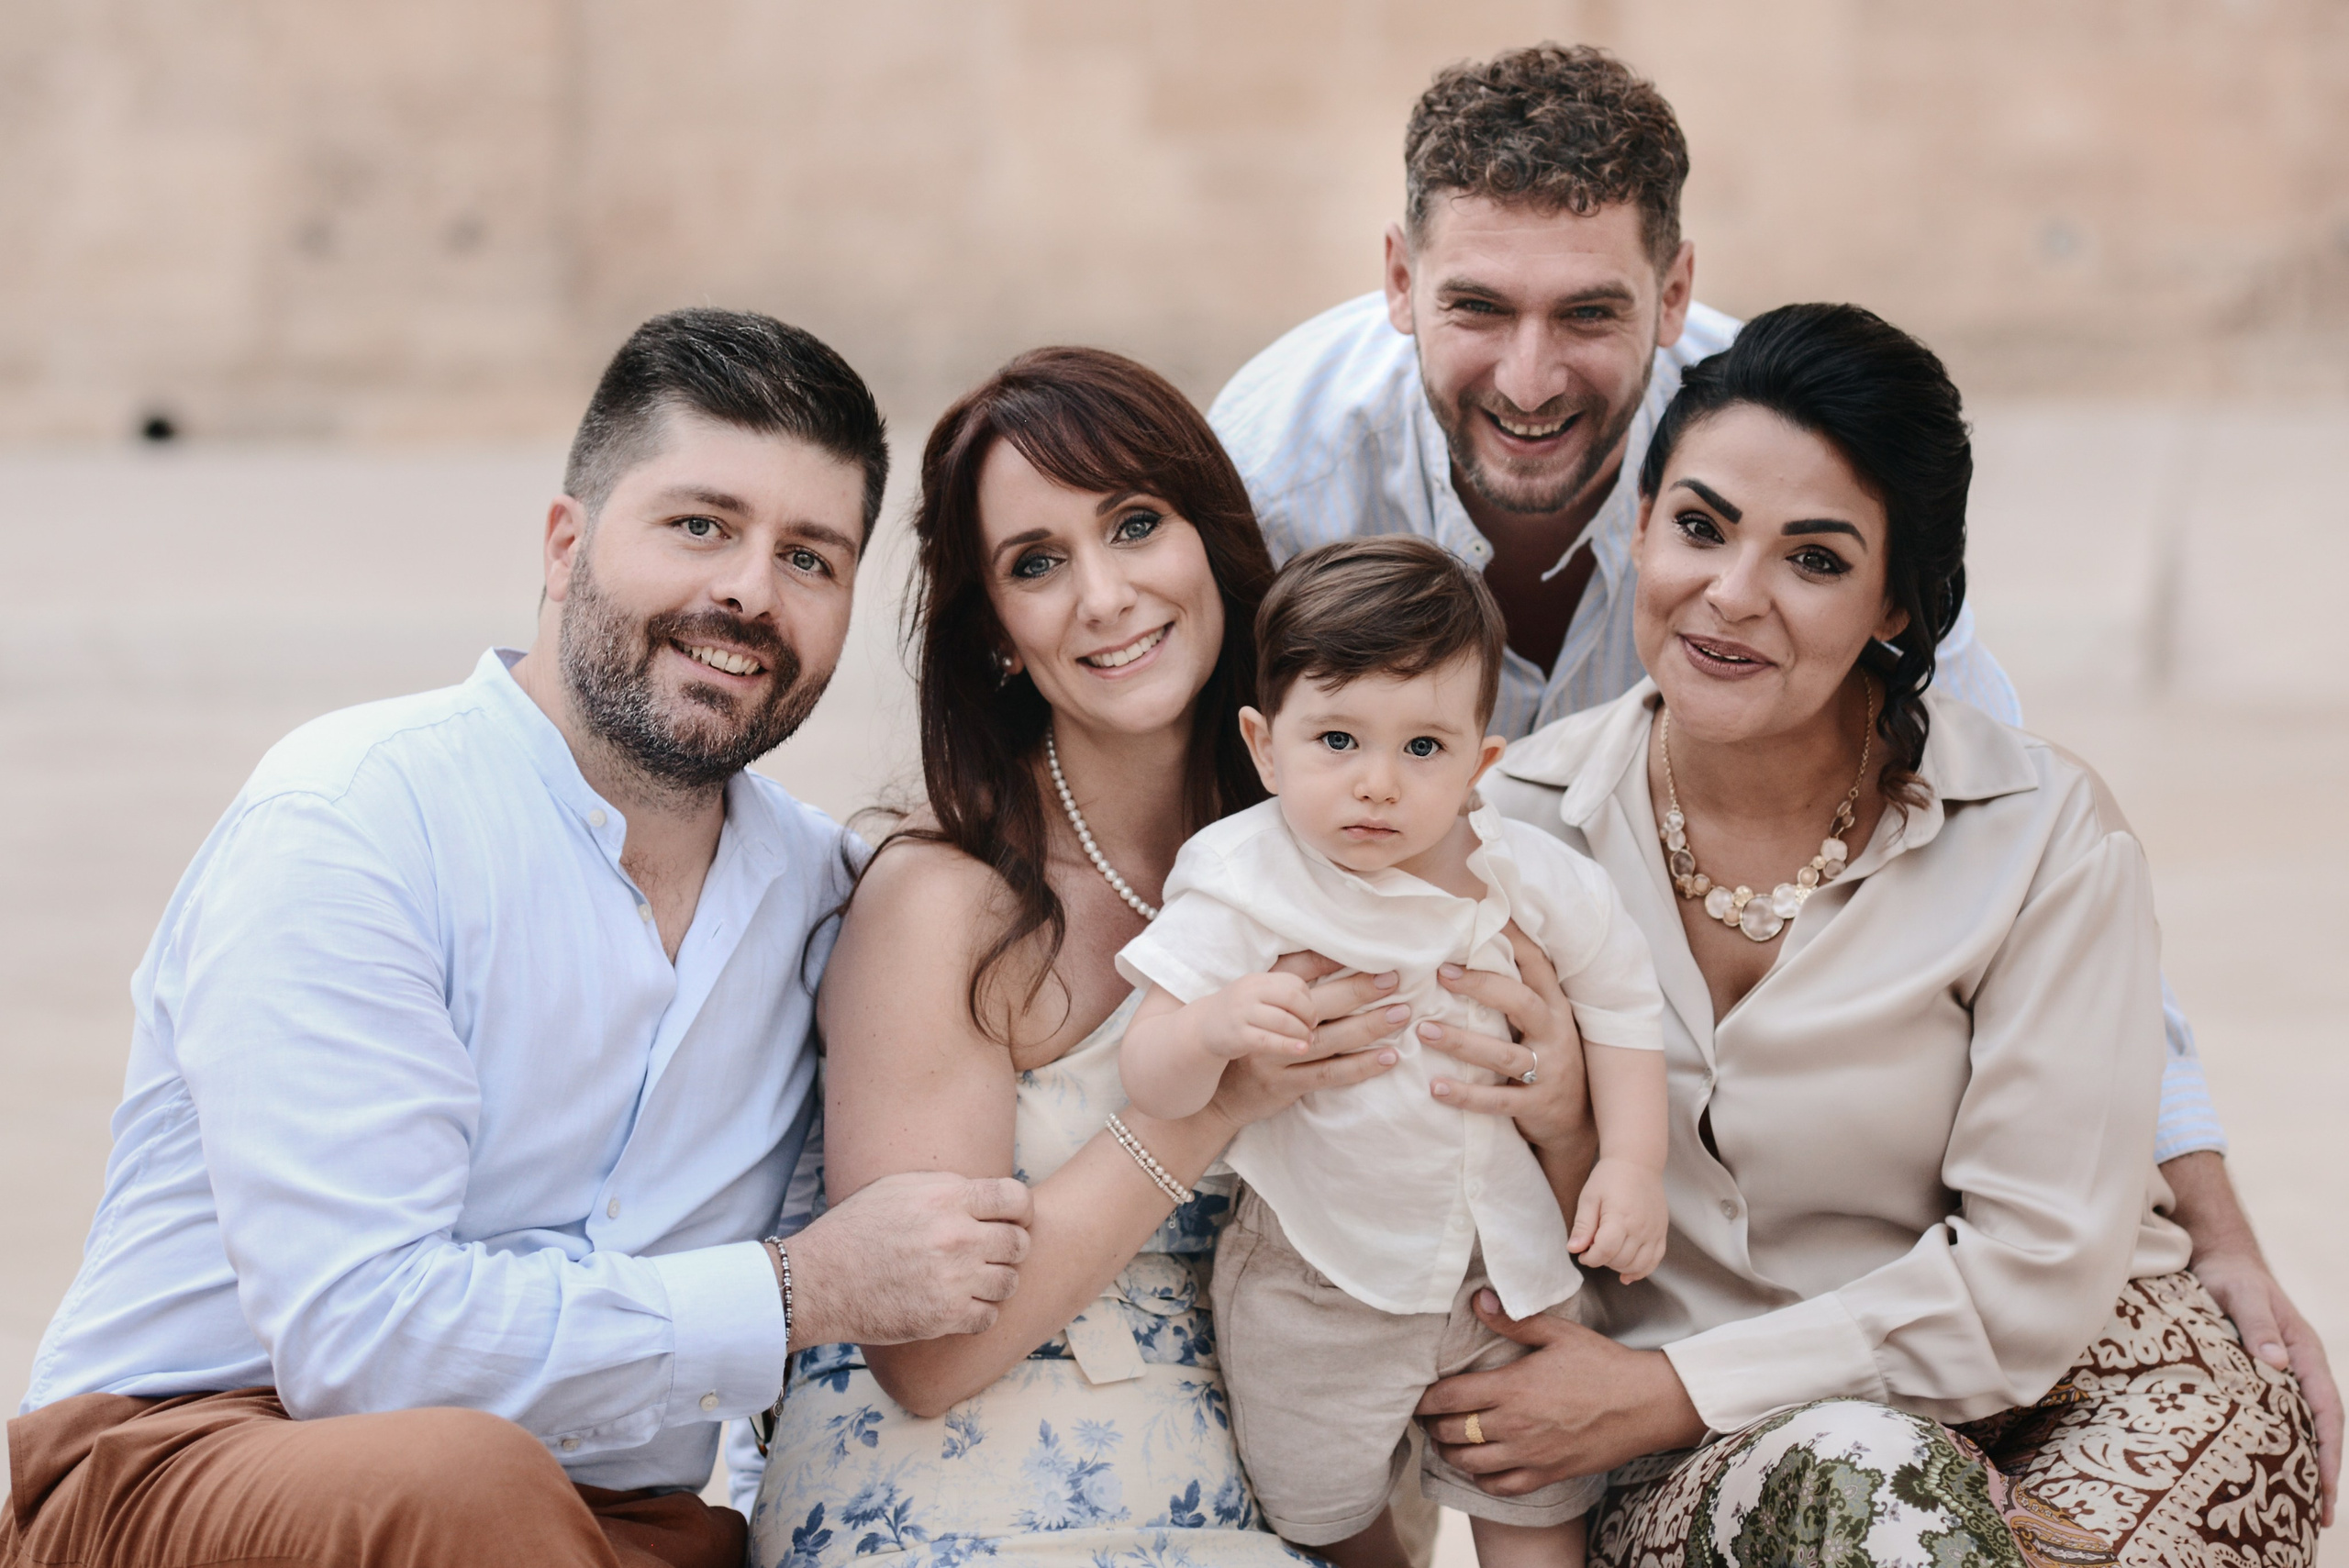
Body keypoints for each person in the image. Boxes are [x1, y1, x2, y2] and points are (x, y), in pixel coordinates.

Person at [1207, 42, 2339, 1513]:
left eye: (1592, 313)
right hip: (1694, 1368)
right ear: (1398, 279)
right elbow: (1206, 857)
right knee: (1860, 1498)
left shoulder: (1805, 454)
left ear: (1673, 299)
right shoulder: (1276, 487)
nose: (1532, 376)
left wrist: (2222, 1222)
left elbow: (2057, 924)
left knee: (2212, 1436)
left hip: (1972, 1321)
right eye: (1477, 305)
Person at [4, 310, 1041, 1568]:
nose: (748, 593)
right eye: (700, 525)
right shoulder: (356, 818)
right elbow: (362, 1346)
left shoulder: (830, 898)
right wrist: (794, 1289)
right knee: (466, 1483)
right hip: (196, 1463)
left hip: (606, 1521)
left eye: (810, 559)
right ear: (565, 544)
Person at [1423, 304, 2322, 1564]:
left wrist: (1667, 1385)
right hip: (1709, 1459)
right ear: (1639, 527)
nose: (1731, 597)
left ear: (1899, 602)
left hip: (2085, 1369)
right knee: (1868, 1485)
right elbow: (1480, 1240)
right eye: (1700, 527)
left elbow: (2034, 1269)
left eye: (1815, 558)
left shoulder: (2042, 835)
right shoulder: (1506, 839)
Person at [746, 349, 1575, 1568]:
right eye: (1037, 563)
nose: (1106, 595)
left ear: (1213, 544)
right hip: (955, 1512)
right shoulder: (948, 903)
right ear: (997, 635)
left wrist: (1556, 1109)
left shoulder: (1364, 853)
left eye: (1136, 524)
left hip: (1250, 1500)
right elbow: (924, 1355)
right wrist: (1202, 1107)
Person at [1115, 537, 1669, 1568]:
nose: (1377, 784)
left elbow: (1623, 1006)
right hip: (1318, 1272)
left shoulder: (1526, 871)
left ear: (1480, 763)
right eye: (1336, 738)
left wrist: (1631, 1163)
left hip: (1505, 1266)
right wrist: (1213, 1024)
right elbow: (1148, 1071)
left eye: (1422, 748)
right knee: (1323, 1518)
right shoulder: (1243, 875)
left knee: (1536, 1503)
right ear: (1264, 743)